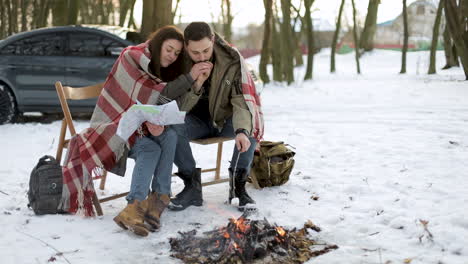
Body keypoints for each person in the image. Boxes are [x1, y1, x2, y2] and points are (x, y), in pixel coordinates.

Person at [58, 25, 210, 237]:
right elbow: (158, 95)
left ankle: (158, 200)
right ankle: (136, 205)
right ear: (158, 44)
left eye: (177, 53)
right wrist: (189, 78)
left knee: (171, 135)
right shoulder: (132, 57)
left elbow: (166, 102)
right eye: (169, 49)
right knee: (151, 150)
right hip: (114, 128)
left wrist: (160, 120)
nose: (172, 56)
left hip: (142, 128)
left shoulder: (164, 70)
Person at [169, 22, 264, 212]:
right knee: (171, 126)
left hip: (226, 120)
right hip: (195, 121)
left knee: (251, 123)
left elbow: (241, 100)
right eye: (195, 53)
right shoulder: (178, 61)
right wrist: (196, 84)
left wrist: (242, 131)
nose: (201, 56)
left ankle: (237, 187)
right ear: (186, 46)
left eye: (206, 50)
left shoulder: (231, 60)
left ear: (213, 40)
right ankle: (192, 187)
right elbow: (177, 108)